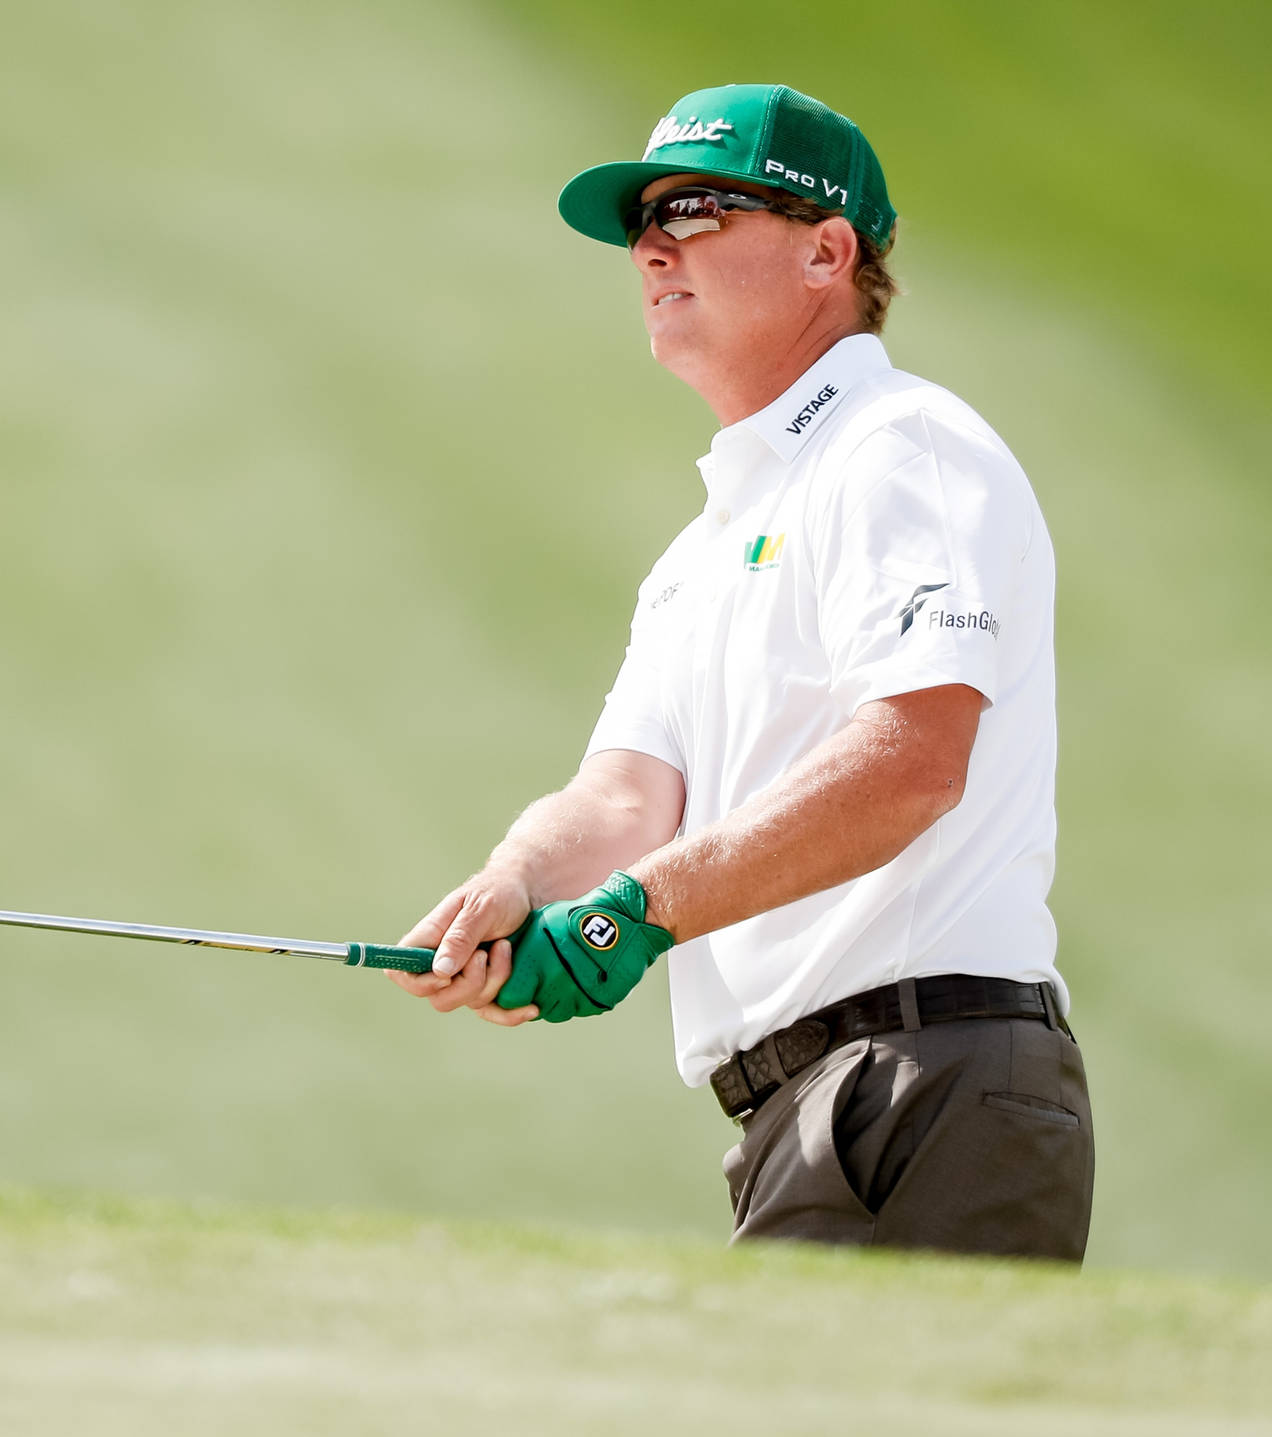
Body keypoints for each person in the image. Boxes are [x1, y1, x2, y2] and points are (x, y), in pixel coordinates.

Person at [389, 83, 1093, 1262]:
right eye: (642, 226)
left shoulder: (899, 448)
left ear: (828, 251)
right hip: (812, 1105)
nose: (653, 246)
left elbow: (913, 764)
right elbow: (623, 801)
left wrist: (636, 916)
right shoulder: (702, 547)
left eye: (701, 210)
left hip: (925, 1075)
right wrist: (515, 883)